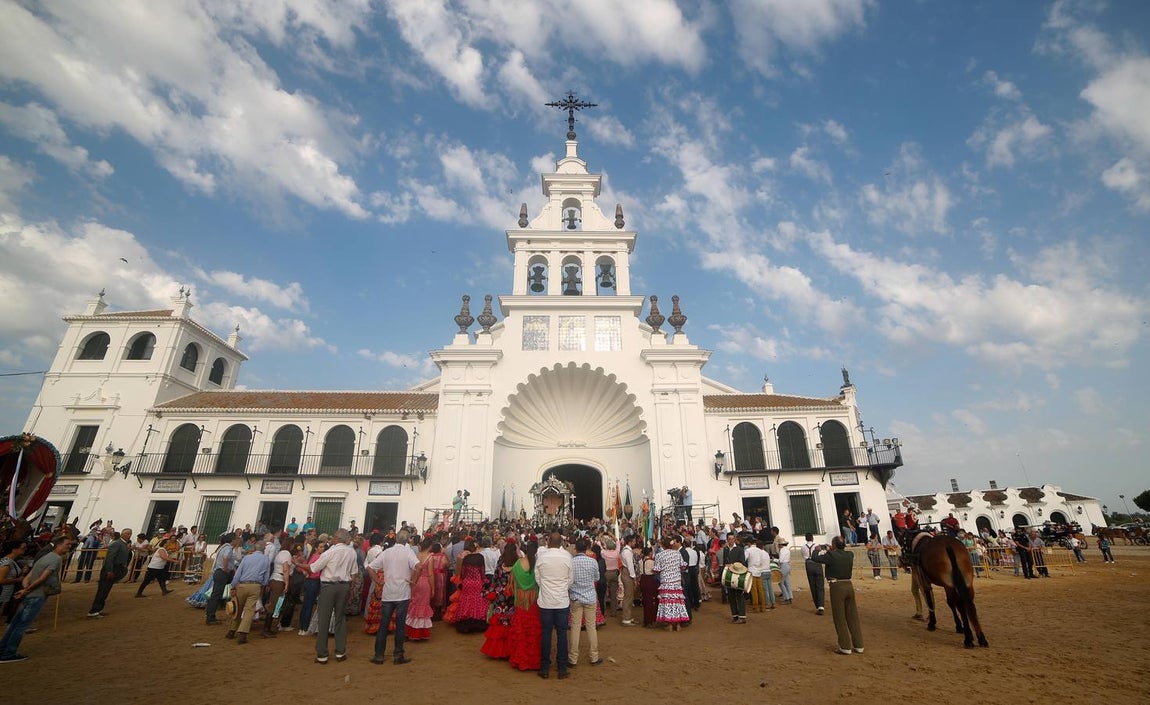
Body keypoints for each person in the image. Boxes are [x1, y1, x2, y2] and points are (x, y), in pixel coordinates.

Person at [0, 535, 73, 662]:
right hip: (37, 595)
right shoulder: (55, 559)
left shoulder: (45, 557)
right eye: (67, 544)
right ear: (58, 545)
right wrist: (27, 590)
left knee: (15, 623)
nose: (70, 546)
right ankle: (8, 653)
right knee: (21, 625)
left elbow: (29, 576)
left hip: (29, 594)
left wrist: (24, 590)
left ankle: (2, 648)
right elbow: (42, 578)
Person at [368, 529, 419, 665]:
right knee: (400, 625)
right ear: (408, 540)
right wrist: (414, 581)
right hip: (402, 593)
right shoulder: (408, 552)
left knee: (383, 624)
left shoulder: (387, 552)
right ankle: (398, 655)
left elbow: (370, 567)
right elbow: (419, 567)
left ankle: (379, 655)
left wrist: (378, 581)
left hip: (388, 593)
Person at [310, 529, 358, 664]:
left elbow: (314, 568)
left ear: (336, 538)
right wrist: (351, 587)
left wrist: (300, 565)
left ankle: (322, 654)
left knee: (324, 618)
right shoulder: (351, 552)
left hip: (329, 585)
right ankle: (340, 651)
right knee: (340, 618)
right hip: (344, 585)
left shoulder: (330, 552)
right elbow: (354, 573)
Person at [812, 536, 863, 655]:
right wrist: (832, 549)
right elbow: (839, 555)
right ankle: (859, 645)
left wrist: (817, 549)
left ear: (834, 545)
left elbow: (815, 558)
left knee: (839, 617)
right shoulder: (850, 554)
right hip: (848, 585)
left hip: (836, 586)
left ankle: (845, 646)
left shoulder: (831, 556)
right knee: (852, 616)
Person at [535, 532, 573, 679]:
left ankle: (545, 667)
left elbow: (537, 578)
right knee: (562, 634)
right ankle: (562, 667)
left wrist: (546, 587)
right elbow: (570, 580)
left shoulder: (542, 557)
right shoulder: (567, 557)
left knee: (546, 633)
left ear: (548, 541)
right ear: (561, 543)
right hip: (562, 600)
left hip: (545, 601)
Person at [567, 537, 602, 667]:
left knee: (575, 627)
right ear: (587, 548)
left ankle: (573, 658)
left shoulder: (571, 562)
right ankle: (594, 656)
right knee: (591, 627)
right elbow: (596, 578)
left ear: (576, 549)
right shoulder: (592, 562)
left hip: (575, 597)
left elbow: (569, 579)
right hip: (589, 597)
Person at [227, 540, 270, 645]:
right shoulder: (266, 559)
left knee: (237, 607)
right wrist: (263, 585)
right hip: (256, 586)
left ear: (254, 548)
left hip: (242, 584)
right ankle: (243, 632)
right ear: (263, 549)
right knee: (249, 610)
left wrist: (233, 586)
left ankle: (232, 630)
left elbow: (238, 573)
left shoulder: (246, 558)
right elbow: (266, 576)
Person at [508, 541, 542, 672]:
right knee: (534, 630)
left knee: (520, 629)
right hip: (534, 599)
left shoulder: (517, 564)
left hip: (521, 600)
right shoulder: (537, 565)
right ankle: (534, 661)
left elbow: (512, 583)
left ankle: (520, 660)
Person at [481, 543, 518, 660]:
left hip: (500, 595)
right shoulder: (518, 564)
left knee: (499, 620)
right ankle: (509, 649)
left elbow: (494, 580)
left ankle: (497, 650)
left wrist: (491, 592)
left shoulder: (500, 563)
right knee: (510, 620)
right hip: (512, 595)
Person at [89, 528, 132, 617]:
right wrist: (109, 570)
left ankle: (98, 609)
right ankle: (94, 610)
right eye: (128, 534)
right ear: (122, 534)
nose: (129, 536)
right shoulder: (117, 543)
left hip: (116, 568)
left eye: (130, 534)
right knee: (103, 590)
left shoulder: (122, 544)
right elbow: (109, 558)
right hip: (111, 568)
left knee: (105, 590)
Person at [206, 532, 241, 625]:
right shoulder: (228, 548)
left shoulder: (223, 547)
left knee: (216, 594)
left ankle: (211, 615)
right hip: (223, 573)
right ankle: (210, 617)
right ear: (232, 540)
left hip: (221, 572)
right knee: (216, 595)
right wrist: (226, 569)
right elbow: (226, 558)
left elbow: (229, 561)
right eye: (236, 539)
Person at [404, 537, 435, 642]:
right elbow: (430, 574)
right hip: (425, 582)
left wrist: (412, 581)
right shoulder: (430, 557)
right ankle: (420, 632)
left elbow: (413, 570)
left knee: (413, 605)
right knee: (423, 606)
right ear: (430, 546)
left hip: (415, 582)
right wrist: (433, 588)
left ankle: (410, 631)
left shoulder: (416, 555)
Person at [261, 538, 293, 637]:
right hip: (279, 580)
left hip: (274, 578)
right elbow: (286, 569)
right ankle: (267, 629)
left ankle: (269, 627)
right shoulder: (287, 554)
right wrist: (287, 583)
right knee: (275, 605)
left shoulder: (280, 553)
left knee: (274, 604)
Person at [0, 542, 27, 618]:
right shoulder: (7, 562)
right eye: (23, 548)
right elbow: (1, 580)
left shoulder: (11, 561)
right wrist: (17, 580)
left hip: (6, 594)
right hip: (3, 593)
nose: (25, 549)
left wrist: (22, 571)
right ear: (14, 549)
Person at [801, 533, 825, 615]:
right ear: (812, 538)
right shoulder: (817, 546)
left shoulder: (803, 547)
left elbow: (803, 556)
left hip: (808, 564)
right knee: (820, 585)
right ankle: (821, 605)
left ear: (805, 538)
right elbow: (822, 553)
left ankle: (817, 605)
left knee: (812, 585)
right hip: (817, 564)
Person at [745, 538, 769, 613]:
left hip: (751, 571)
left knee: (754, 590)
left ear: (749, 543)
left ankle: (755, 607)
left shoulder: (748, 550)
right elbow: (762, 561)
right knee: (760, 590)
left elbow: (744, 559)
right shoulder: (759, 550)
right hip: (759, 571)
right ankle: (763, 607)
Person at [619, 535, 637, 626]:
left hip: (626, 572)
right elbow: (630, 566)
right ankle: (626, 618)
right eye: (634, 541)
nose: (635, 543)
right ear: (630, 542)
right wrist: (633, 577)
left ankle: (628, 617)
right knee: (628, 597)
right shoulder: (627, 552)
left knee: (629, 596)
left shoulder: (627, 551)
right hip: (628, 573)